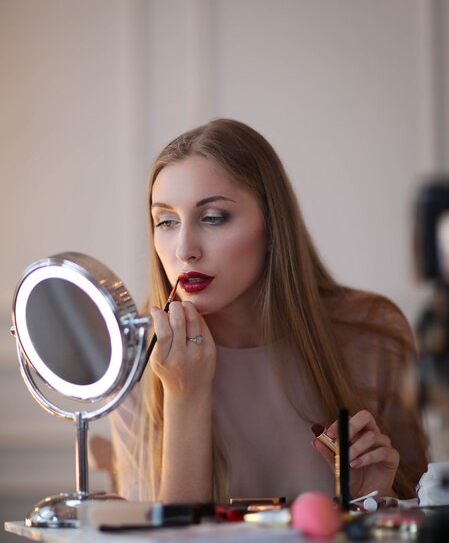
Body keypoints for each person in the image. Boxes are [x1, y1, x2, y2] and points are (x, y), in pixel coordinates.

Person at [109, 118, 428, 504]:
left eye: (213, 218)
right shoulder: (136, 360)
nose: (184, 249)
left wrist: (371, 499)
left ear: (273, 225)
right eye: (166, 221)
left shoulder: (373, 333)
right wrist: (184, 396)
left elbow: (418, 518)